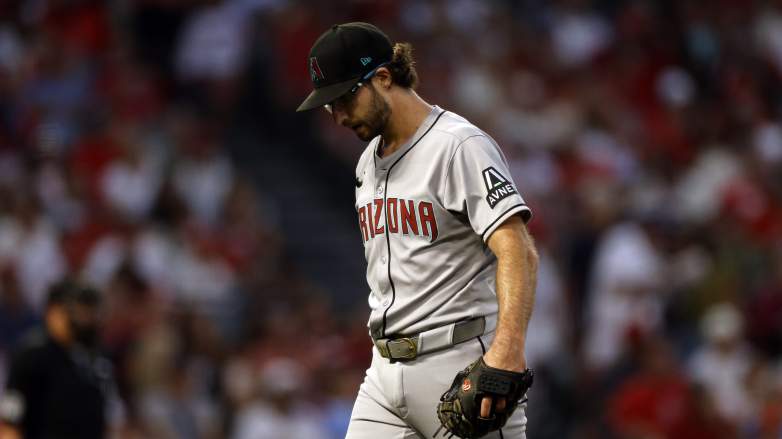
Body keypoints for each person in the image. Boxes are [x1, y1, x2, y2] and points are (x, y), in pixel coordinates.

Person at [297, 22, 538, 438]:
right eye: (328, 106)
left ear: (384, 77)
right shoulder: (366, 161)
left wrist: (508, 351)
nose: (336, 116)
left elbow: (518, 249)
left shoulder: (458, 146)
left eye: (343, 98)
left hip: (458, 362)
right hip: (383, 373)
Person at [0, 279, 122, 439]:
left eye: (89, 311)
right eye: (78, 312)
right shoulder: (32, 356)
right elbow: (10, 422)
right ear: (53, 312)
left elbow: (111, 417)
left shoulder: (97, 356)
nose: (85, 320)